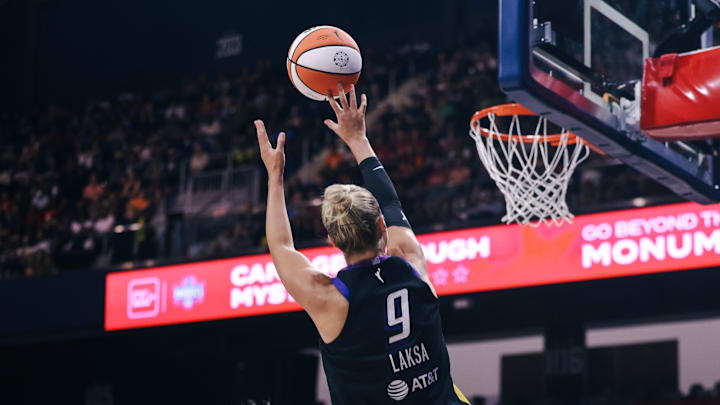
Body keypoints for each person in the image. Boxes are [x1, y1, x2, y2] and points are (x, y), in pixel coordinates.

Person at [255, 83, 469, 405]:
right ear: (382, 225)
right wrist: (358, 139)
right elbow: (391, 203)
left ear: (332, 240)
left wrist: (275, 175)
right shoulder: (410, 260)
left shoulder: (328, 299)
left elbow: (282, 246)